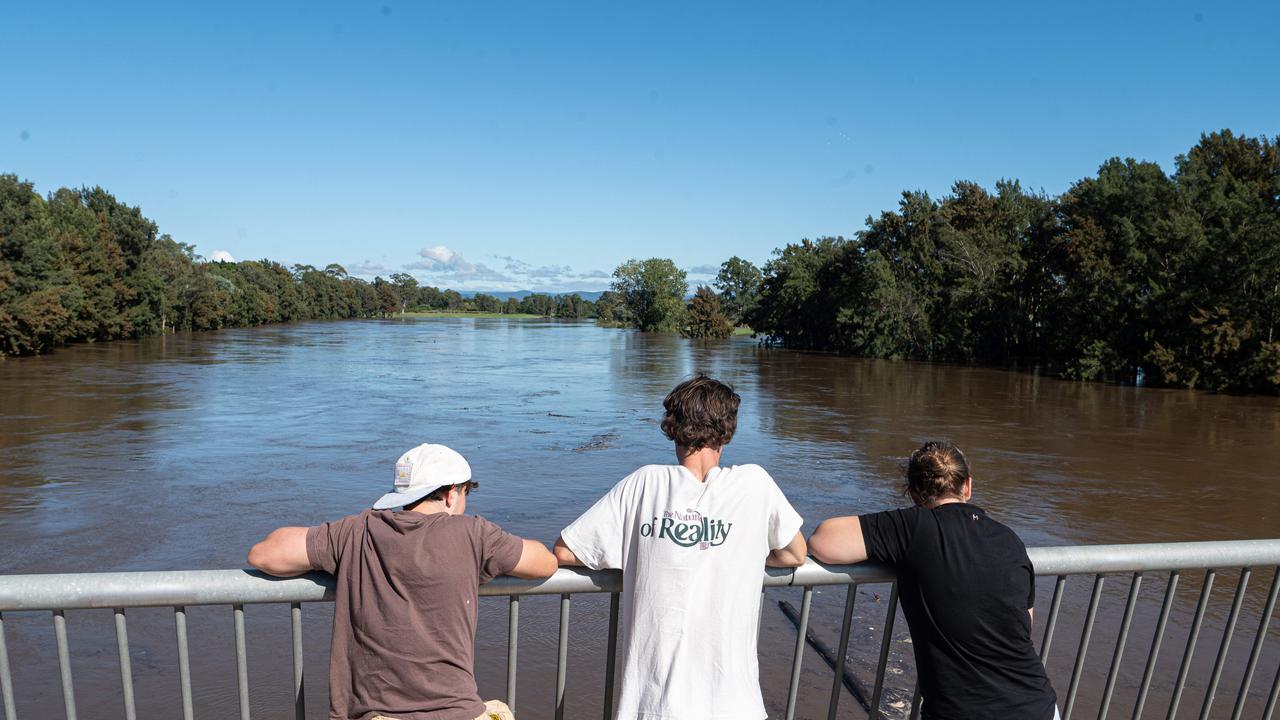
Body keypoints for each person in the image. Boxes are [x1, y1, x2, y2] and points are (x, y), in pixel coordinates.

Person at [553, 374, 807, 720]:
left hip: (653, 706)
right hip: (736, 706)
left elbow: (567, 550)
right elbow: (795, 554)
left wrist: (637, 553)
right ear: (727, 432)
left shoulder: (644, 484)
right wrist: (738, 550)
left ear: (673, 429)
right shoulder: (755, 484)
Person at [247, 443, 558, 720]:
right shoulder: (474, 535)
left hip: (375, 713)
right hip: (456, 711)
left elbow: (264, 555)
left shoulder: (357, 532)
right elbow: (544, 562)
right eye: (467, 493)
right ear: (451, 495)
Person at [808, 441, 1058, 720]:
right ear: (968, 486)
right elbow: (1024, 625)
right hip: (1039, 707)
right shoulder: (1009, 539)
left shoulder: (913, 527)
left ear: (914, 493)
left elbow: (823, 541)